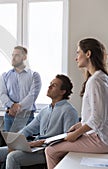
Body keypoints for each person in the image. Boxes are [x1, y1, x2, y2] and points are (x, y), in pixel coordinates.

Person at [0, 74, 79, 169]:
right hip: (35, 146)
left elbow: (67, 138)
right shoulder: (44, 110)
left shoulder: (69, 111)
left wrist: (42, 143)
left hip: (48, 150)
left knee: (13, 157)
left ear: (63, 91)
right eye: (50, 84)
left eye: (54, 85)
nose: (49, 86)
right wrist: (15, 142)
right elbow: (28, 129)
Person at [45, 38, 108, 169]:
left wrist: (76, 134)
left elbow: (98, 119)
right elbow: (99, 114)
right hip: (100, 135)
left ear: (88, 54)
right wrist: (79, 125)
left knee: (50, 151)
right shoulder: (101, 78)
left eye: (78, 52)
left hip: (101, 139)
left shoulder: (95, 81)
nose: (76, 57)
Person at [0, 46, 42, 132]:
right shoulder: (5, 75)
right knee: (9, 144)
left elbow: (32, 95)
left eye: (17, 55)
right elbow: (1, 93)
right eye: (12, 55)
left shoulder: (34, 75)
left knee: (27, 143)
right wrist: (11, 105)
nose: (13, 58)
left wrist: (18, 108)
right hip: (9, 116)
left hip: (26, 117)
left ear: (24, 57)